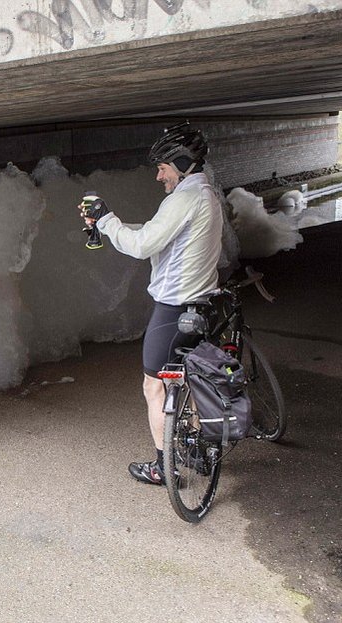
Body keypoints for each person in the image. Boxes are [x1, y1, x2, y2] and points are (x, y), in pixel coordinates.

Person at [79, 122, 223, 485]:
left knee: (154, 385)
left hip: (174, 309)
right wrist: (113, 225)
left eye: (162, 166)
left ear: (181, 162)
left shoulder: (185, 198)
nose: (158, 175)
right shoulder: (204, 195)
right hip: (200, 304)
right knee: (187, 377)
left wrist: (106, 220)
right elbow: (159, 235)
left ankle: (165, 467)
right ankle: (198, 452)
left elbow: (143, 245)